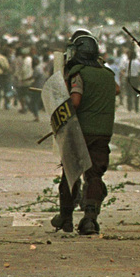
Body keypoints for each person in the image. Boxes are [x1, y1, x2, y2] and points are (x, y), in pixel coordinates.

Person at [51, 33, 119, 235]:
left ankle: (66, 217)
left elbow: (76, 100)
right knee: (95, 175)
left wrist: (63, 110)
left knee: (70, 174)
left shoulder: (79, 74)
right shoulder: (107, 75)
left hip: (81, 131)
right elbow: (115, 90)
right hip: (103, 133)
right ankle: (90, 220)